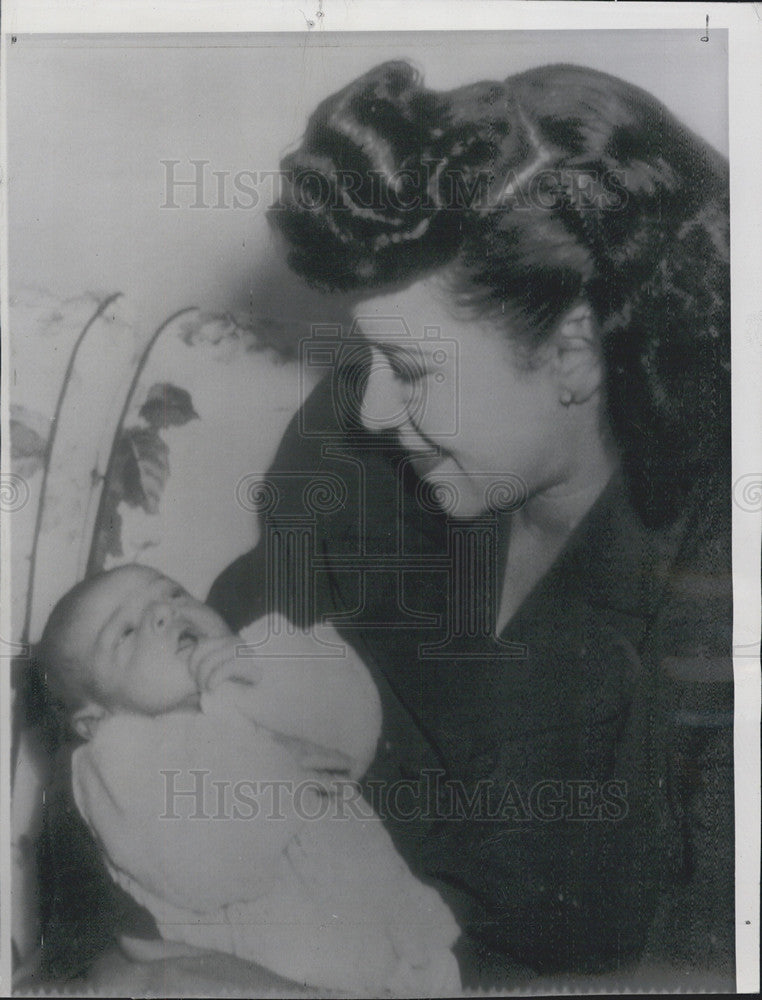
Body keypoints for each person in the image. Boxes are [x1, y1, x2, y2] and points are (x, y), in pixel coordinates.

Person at [209, 62, 734, 989]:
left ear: (574, 350)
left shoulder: (720, 572)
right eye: (371, 356)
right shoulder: (349, 450)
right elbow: (161, 710)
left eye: (409, 367)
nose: (370, 407)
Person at [35, 564, 462, 996]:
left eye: (174, 593)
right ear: (95, 719)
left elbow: (357, 729)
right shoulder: (116, 763)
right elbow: (217, 864)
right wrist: (284, 769)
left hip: (415, 953)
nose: (164, 612)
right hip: (293, 975)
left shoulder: (251, 667)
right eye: (125, 631)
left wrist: (261, 672)